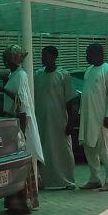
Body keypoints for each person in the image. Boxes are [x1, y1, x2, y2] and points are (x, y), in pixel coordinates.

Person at [0, 45, 43, 214]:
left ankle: (25, 201)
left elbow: (22, 102)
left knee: (23, 162)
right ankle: (14, 202)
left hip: (19, 123)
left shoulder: (21, 76)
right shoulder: (13, 75)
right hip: (12, 122)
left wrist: (22, 132)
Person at [34, 46, 77, 190]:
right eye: (42, 55)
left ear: (54, 57)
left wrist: (71, 122)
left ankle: (67, 181)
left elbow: (72, 101)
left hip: (59, 120)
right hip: (41, 120)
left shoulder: (63, 75)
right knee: (44, 150)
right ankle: (46, 181)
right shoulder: (38, 74)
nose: (42, 58)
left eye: (45, 56)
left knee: (63, 150)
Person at [80, 43, 108, 192]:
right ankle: (95, 179)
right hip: (87, 117)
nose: (86, 56)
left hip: (102, 118)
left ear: (98, 54)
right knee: (89, 149)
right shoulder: (89, 70)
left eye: (88, 54)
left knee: (104, 150)